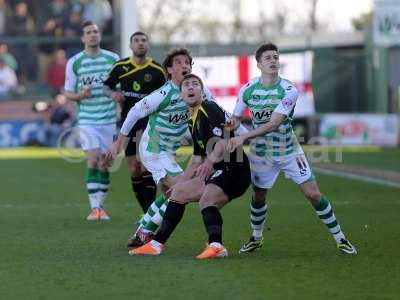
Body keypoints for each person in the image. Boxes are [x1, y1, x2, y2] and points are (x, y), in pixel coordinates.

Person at [227, 43, 357, 255]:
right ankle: (256, 238)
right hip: (262, 154)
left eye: (275, 57)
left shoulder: (289, 90)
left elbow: (274, 123)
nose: (273, 60)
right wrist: (226, 126)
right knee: (259, 195)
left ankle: (341, 238)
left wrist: (244, 137)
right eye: (268, 58)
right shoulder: (247, 89)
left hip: (289, 151)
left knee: (313, 194)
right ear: (259, 64)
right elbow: (236, 118)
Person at [130, 73, 251, 259]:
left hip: (235, 170)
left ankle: (216, 246)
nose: (191, 87)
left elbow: (223, 141)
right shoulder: (191, 119)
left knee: (207, 201)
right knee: (178, 194)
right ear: (181, 94)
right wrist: (180, 184)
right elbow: (196, 157)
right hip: (220, 170)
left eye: (196, 84)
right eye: (186, 85)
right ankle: (155, 245)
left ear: (203, 93)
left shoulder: (209, 107)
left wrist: (210, 162)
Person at [104, 48, 215, 247]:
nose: (185, 66)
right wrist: (119, 141)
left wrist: (240, 133)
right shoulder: (163, 94)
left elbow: (218, 114)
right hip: (153, 149)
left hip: (169, 152)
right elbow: (135, 112)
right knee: (184, 189)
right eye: (179, 62)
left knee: (172, 193)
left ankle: (143, 230)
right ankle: (212, 239)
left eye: (187, 62)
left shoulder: (199, 91)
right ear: (169, 70)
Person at [103, 31, 166, 214]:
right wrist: (113, 94)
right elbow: (105, 87)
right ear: (130, 45)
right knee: (134, 168)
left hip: (151, 123)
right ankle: (146, 213)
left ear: (148, 45)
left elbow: (166, 94)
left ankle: (149, 215)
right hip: (128, 123)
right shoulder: (120, 66)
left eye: (143, 40)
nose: (140, 43)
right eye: (136, 41)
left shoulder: (157, 70)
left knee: (147, 165)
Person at [64, 20, 119, 221]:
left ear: (99, 35)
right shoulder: (75, 62)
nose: (93, 35)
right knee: (93, 158)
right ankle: (94, 208)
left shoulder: (113, 59)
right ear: (83, 37)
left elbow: (119, 87)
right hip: (87, 120)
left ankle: (100, 207)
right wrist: (80, 96)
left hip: (108, 119)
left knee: (105, 164)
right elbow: (68, 92)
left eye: (95, 31)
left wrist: (116, 98)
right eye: (89, 32)